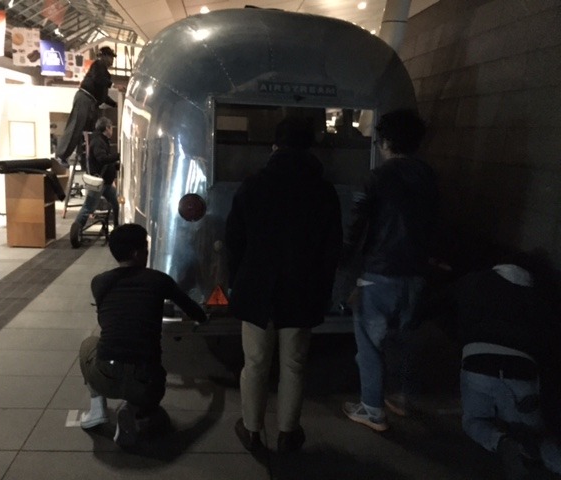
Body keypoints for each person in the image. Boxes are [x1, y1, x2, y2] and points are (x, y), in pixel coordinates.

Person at [225, 116, 343, 453]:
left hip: (257, 287)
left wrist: (238, 282)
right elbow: (331, 248)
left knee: (255, 363)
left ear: (275, 146)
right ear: (310, 147)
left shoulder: (253, 185)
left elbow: (234, 240)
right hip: (302, 290)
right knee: (294, 364)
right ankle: (288, 433)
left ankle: (252, 430)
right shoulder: (323, 191)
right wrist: (324, 290)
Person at [342, 108, 438, 432]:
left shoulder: (379, 177)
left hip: (380, 272)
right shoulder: (429, 177)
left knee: (370, 344)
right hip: (416, 272)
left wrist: (344, 260)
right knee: (403, 339)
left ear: (385, 142)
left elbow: (357, 224)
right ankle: (401, 398)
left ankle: (372, 409)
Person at [78, 223, 208, 448]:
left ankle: (98, 409)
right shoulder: (159, 280)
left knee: (88, 344)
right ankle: (135, 414)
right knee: (154, 406)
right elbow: (195, 312)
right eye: (146, 250)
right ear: (137, 253)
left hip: (106, 375)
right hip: (147, 382)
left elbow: (108, 319)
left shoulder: (99, 282)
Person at [442, 259, 561, 480]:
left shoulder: (475, 281)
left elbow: (445, 303)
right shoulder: (538, 295)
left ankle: (501, 442)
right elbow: (549, 342)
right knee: (536, 434)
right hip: (522, 369)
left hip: (477, 360)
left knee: (474, 420)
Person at [55, 46, 118, 167]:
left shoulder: (104, 73)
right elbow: (98, 79)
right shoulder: (98, 65)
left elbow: (103, 96)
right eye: (111, 57)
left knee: (90, 132)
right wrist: (114, 85)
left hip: (92, 102)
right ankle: (61, 155)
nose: (112, 61)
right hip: (85, 98)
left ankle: (84, 158)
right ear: (104, 56)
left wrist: (115, 104)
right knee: (76, 126)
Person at [69, 117, 119, 248]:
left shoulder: (101, 140)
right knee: (88, 207)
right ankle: (75, 234)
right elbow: (102, 158)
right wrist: (118, 156)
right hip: (98, 183)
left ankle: (117, 229)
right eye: (111, 127)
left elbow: (103, 160)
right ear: (107, 128)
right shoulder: (98, 141)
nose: (112, 130)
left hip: (105, 183)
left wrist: (114, 165)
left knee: (116, 203)